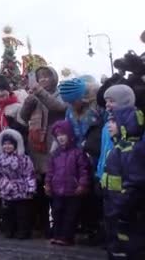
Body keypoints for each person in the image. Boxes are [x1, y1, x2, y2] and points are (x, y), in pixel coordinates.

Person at [20, 66, 67, 236]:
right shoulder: (35, 96)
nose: (43, 80)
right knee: (39, 187)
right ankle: (42, 223)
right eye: (40, 77)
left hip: (53, 146)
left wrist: (39, 92)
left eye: (47, 77)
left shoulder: (60, 93)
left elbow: (58, 107)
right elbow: (22, 118)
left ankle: (57, 224)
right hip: (36, 147)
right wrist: (28, 101)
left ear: (54, 78)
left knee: (53, 187)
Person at [101, 85, 145, 259]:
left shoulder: (132, 149)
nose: (108, 105)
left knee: (128, 245)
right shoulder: (119, 146)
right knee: (116, 244)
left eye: (111, 101)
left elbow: (134, 182)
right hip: (114, 206)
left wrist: (120, 205)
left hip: (124, 209)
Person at [58, 76, 104, 243]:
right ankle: (86, 225)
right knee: (81, 191)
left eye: (73, 101)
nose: (71, 105)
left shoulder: (97, 107)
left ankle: (98, 227)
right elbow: (68, 129)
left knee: (96, 192)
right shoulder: (70, 110)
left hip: (96, 155)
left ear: (82, 97)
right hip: (78, 157)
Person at [45, 120, 90, 246]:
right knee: (57, 212)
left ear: (69, 135)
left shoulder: (77, 153)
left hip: (73, 191)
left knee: (70, 215)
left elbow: (83, 170)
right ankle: (56, 234)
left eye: (63, 134)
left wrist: (82, 184)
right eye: (58, 135)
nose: (60, 138)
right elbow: (50, 171)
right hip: (57, 190)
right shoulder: (55, 154)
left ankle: (67, 237)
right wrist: (47, 184)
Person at [0, 129, 36, 239]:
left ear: (16, 144)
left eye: (10, 144)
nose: (7, 146)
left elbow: (29, 174)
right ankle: (9, 230)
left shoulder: (24, 158)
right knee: (7, 212)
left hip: (21, 190)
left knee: (22, 213)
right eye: (5, 144)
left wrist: (31, 189)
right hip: (6, 189)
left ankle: (23, 231)